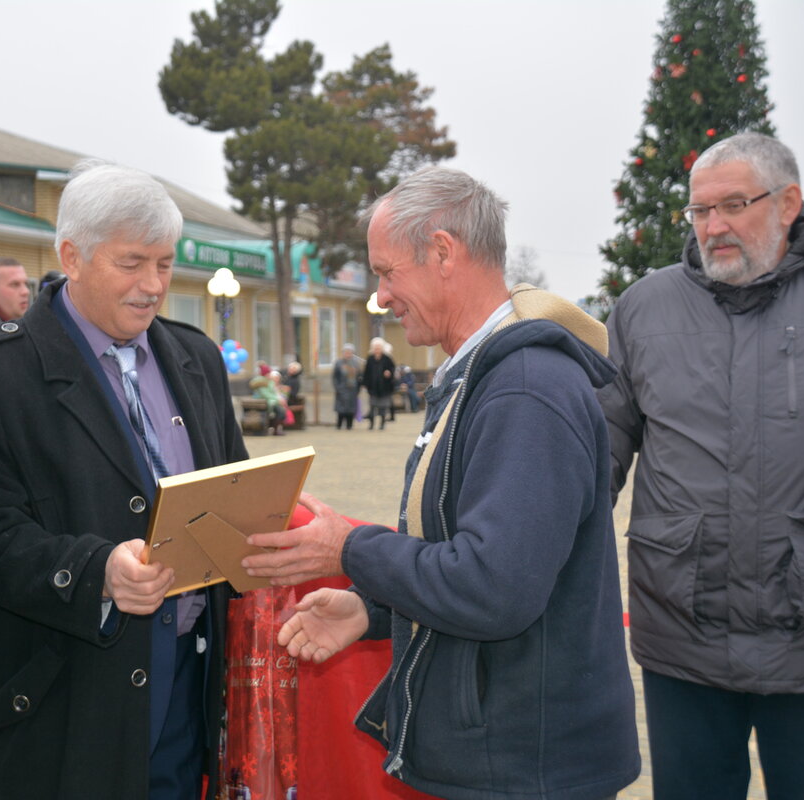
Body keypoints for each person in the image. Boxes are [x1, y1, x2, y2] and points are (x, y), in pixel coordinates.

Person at [241, 166, 640, 799]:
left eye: (387, 271)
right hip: (505, 753)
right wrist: (371, 609)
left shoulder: (525, 389)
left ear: (444, 252)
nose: (379, 296)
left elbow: (492, 587)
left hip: (525, 767)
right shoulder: (485, 374)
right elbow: (465, 553)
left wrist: (347, 549)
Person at [0, 162, 248, 799]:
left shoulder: (197, 357)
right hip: (61, 703)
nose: (153, 285)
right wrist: (95, 570)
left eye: (163, 264)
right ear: (71, 255)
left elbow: (232, 487)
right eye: (131, 264)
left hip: (189, 681)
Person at [598, 131, 804, 800]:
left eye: (733, 205)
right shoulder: (644, 307)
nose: (714, 226)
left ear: (789, 202)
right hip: (682, 635)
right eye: (700, 211)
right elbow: (597, 457)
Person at [362, 337, 396, 430]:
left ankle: (382, 424)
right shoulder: (370, 359)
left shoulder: (387, 359)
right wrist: (365, 383)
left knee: (383, 408)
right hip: (373, 387)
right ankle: (371, 424)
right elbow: (366, 372)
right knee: (372, 406)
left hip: (384, 387)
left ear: (382, 348)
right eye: (375, 348)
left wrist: (389, 373)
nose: (377, 350)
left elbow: (392, 369)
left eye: (379, 348)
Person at [250, 368, 288, 435]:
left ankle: (275, 429)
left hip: (270, 401)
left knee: (281, 412)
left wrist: (279, 399)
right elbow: (266, 395)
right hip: (264, 402)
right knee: (280, 411)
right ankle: (274, 429)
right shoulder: (261, 382)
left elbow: (273, 393)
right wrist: (278, 400)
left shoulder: (268, 381)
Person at [332, 343, 361, 429]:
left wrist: (358, 387)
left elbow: (359, 376)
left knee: (351, 408)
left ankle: (349, 425)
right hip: (342, 388)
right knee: (341, 408)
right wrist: (337, 387)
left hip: (353, 389)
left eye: (350, 352)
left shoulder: (356, 363)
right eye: (346, 352)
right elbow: (335, 377)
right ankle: (339, 424)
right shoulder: (339, 363)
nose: (348, 354)